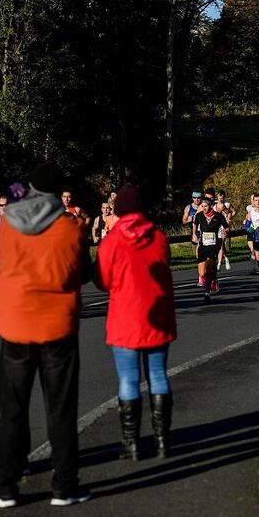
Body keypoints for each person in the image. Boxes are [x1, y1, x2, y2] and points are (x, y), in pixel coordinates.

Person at [0, 162, 92, 509]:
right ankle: (65, 484)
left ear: (31, 187)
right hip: (57, 327)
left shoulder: (10, 227)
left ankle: (5, 484)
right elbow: (80, 276)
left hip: (15, 324)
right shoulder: (70, 229)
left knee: (13, 408)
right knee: (60, 409)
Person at [93, 184, 177, 460]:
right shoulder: (158, 236)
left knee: (128, 380)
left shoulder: (112, 240)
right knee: (158, 375)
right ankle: (162, 440)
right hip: (157, 315)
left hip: (125, 316)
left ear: (118, 210)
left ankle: (131, 444)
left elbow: (102, 280)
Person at [193, 198, 228, 301]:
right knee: (202, 273)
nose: (204, 208)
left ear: (211, 206)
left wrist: (225, 233)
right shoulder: (199, 216)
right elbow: (195, 225)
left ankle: (207, 293)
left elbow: (227, 227)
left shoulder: (218, 216)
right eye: (202, 206)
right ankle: (214, 277)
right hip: (203, 246)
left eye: (206, 206)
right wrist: (194, 234)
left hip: (214, 246)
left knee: (208, 270)